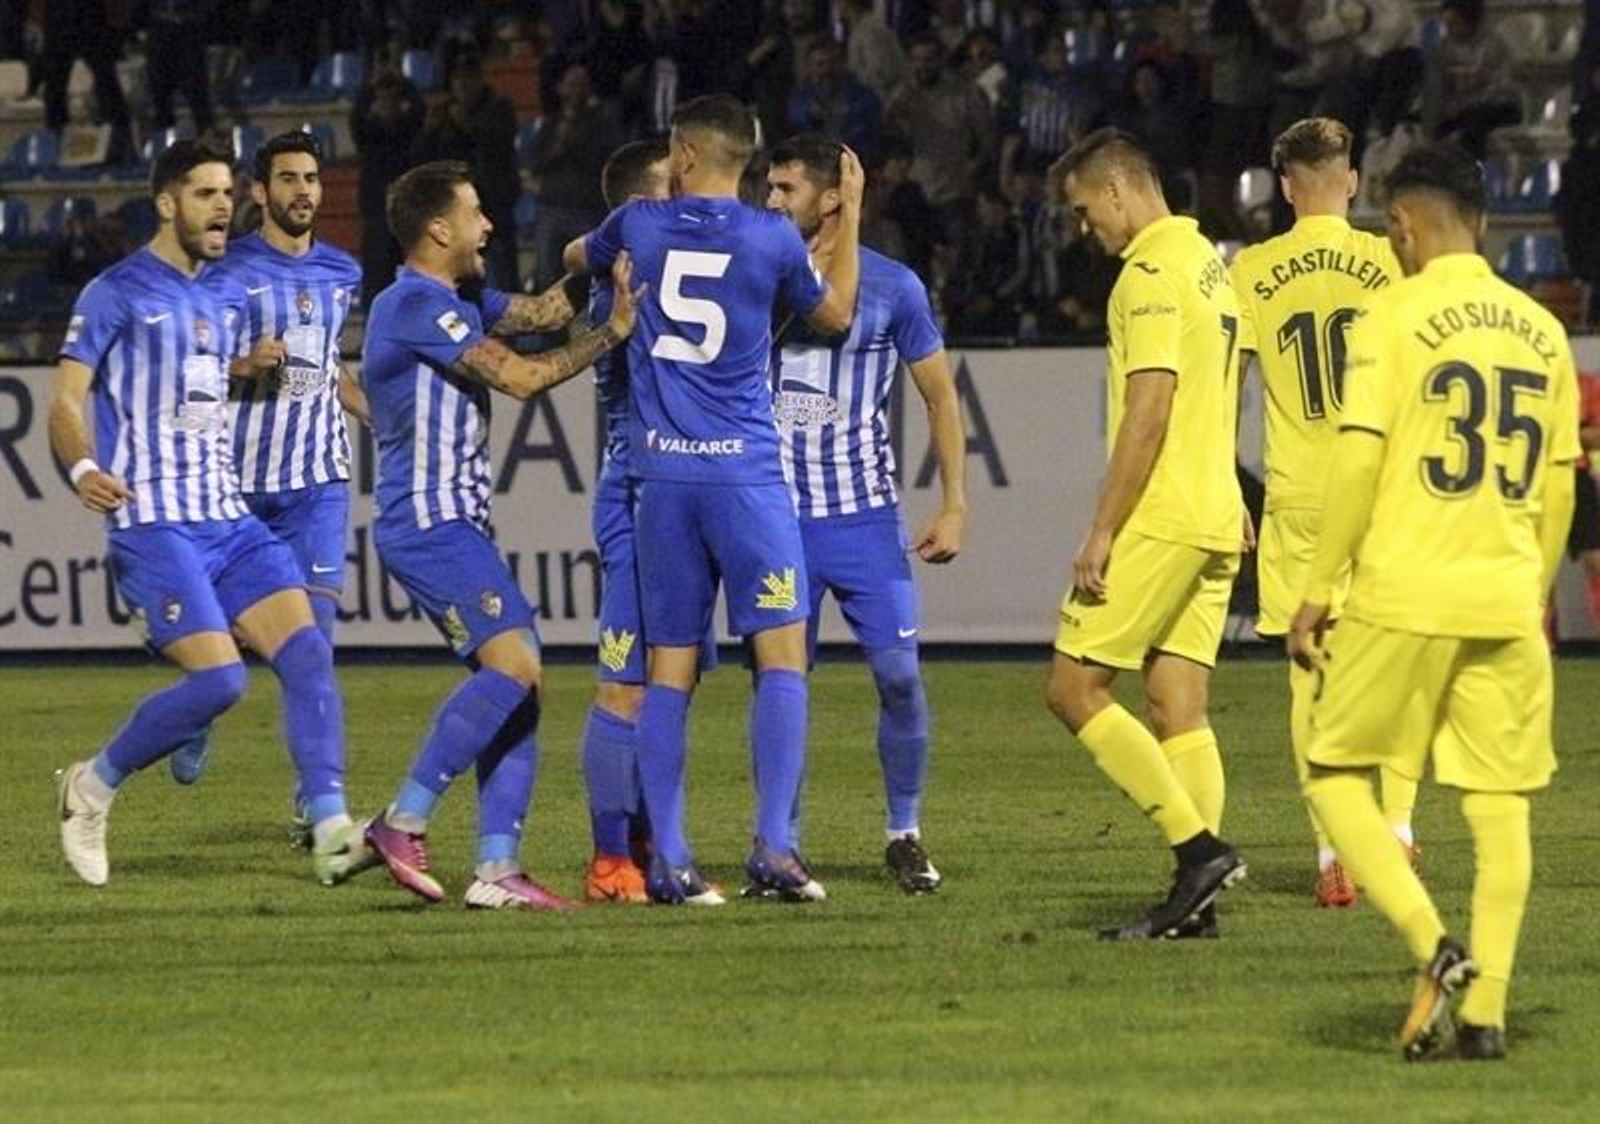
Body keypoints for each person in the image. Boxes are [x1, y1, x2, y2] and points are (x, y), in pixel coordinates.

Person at [1289, 143, 1579, 1061]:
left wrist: (1318, 588)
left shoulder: (1396, 314)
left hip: (1404, 592)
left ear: (1403, 227)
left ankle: (1432, 945)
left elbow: (1361, 458)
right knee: (1501, 815)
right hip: (1505, 601)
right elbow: (1565, 488)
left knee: (1334, 774)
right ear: (1485, 222)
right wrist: (1530, 588)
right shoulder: (1543, 330)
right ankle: (1486, 1013)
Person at [564, 94, 863, 905]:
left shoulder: (636, 224)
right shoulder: (769, 236)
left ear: (683, 155)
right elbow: (835, 315)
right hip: (746, 483)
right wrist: (854, 211)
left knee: (668, 670)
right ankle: (774, 845)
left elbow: (572, 252)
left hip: (661, 482)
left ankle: (669, 860)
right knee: (781, 657)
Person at [49, 139, 371, 889]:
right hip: (155, 520)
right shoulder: (116, 291)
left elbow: (200, 397)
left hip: (228, 518)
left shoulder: (225, 297)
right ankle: (90, 787)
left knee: (308, 653)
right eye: (205, 194)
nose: (223, 205)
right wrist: (85, 465)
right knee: (222, 684)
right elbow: (66, 397)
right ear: (167, 204)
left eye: (227, 193)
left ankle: (328, 827)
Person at [357, 160, 638, 911]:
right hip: (427, 521)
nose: (489, 226)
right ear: (438, 228)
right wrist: (612, 333)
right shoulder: (412, 303)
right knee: (512, 663)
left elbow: (547, 312)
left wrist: (601, 248)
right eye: (476, 213)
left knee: (524, 681)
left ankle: (498, 868)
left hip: (457, 521)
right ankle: (402, 819)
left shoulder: (462, 298)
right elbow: (518, 377)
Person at [1044, 128, 1248, 941]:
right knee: (1177, 701)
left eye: (1086, 209)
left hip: (1161, 515)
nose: (1088, 227)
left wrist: (1103, 530)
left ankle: (1197, 851)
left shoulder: (1152, 274)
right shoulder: (1210, 265)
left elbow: (1152, 408)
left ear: (1120, 190)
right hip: (1213, 512)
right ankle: (1197, 899)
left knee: (1072, 688)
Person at [766, 133, 966, 893]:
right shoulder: (760, 280)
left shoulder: (895, 288)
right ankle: (779, 843)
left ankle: (904, 832)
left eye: (787, 189)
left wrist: (954, 505)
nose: (772, 201)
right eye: (770, 187)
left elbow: (940, 396)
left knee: (900, 678)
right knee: (781, 686)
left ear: (831, 198)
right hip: (775, 523)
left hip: (863, 520)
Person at [1227, 118, 1418, 909]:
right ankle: (1399, 834)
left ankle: (1334, 850)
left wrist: (1221, 486)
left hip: (1300, 496)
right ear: (1353, 182)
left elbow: (1220, 386)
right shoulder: (1390, 261)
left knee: (1311, 678)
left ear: (1283, 187)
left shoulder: (1252, 269)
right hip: (1381, 490)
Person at [161, 131, 365, 815]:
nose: (303, 191)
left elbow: (328, 365)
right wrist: (239, 366)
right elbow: (184, 368)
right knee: (222, 639)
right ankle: (200, 711)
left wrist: (374, 413)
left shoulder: (344, 272)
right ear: (260, 191)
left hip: (319, 485)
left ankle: (317, 804)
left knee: (313, 646)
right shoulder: (225, 272)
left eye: (311, 178)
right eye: (288, 179)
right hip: (238, 488)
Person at [574, 137, 675, 905]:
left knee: (667, 687)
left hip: (679, 494)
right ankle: (611, 860)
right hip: (636, 497)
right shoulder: (623, 284)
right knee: (626, 687)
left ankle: (643, 841)